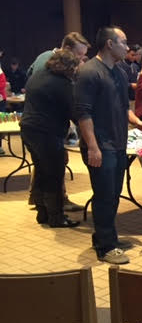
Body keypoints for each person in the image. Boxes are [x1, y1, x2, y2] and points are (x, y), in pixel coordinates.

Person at [74, 26, 142, 265]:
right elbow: (83, 113)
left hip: (117, 143)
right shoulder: (89, 72)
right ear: (109, 44)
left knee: (114, 194)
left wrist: (137, 122)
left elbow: (124, 107)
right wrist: (92, 147)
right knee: (104, 196)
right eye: (123, 42)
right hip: (100, 145)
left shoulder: (119, 72)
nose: (127, 48)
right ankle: (106, 247)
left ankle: (106, 237)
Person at [26, 32, 90, 211]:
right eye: (79, 55)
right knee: (53, 167)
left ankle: (42, 205)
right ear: (67, 49)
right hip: (46, 124)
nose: (81, 60)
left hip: (35, 122)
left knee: (44, 165)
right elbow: (69, 106)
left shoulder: (47, 60)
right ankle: (56, 207)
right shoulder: (54, 69)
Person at [20, 50, 80, 228]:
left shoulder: (37, 75)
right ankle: (56, 217)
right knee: (54, 174)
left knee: (41, 171)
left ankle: (42, 212)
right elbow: (74, 112)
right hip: (47, 133)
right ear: (68, 66)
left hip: (28, 129)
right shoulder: (62, 83)